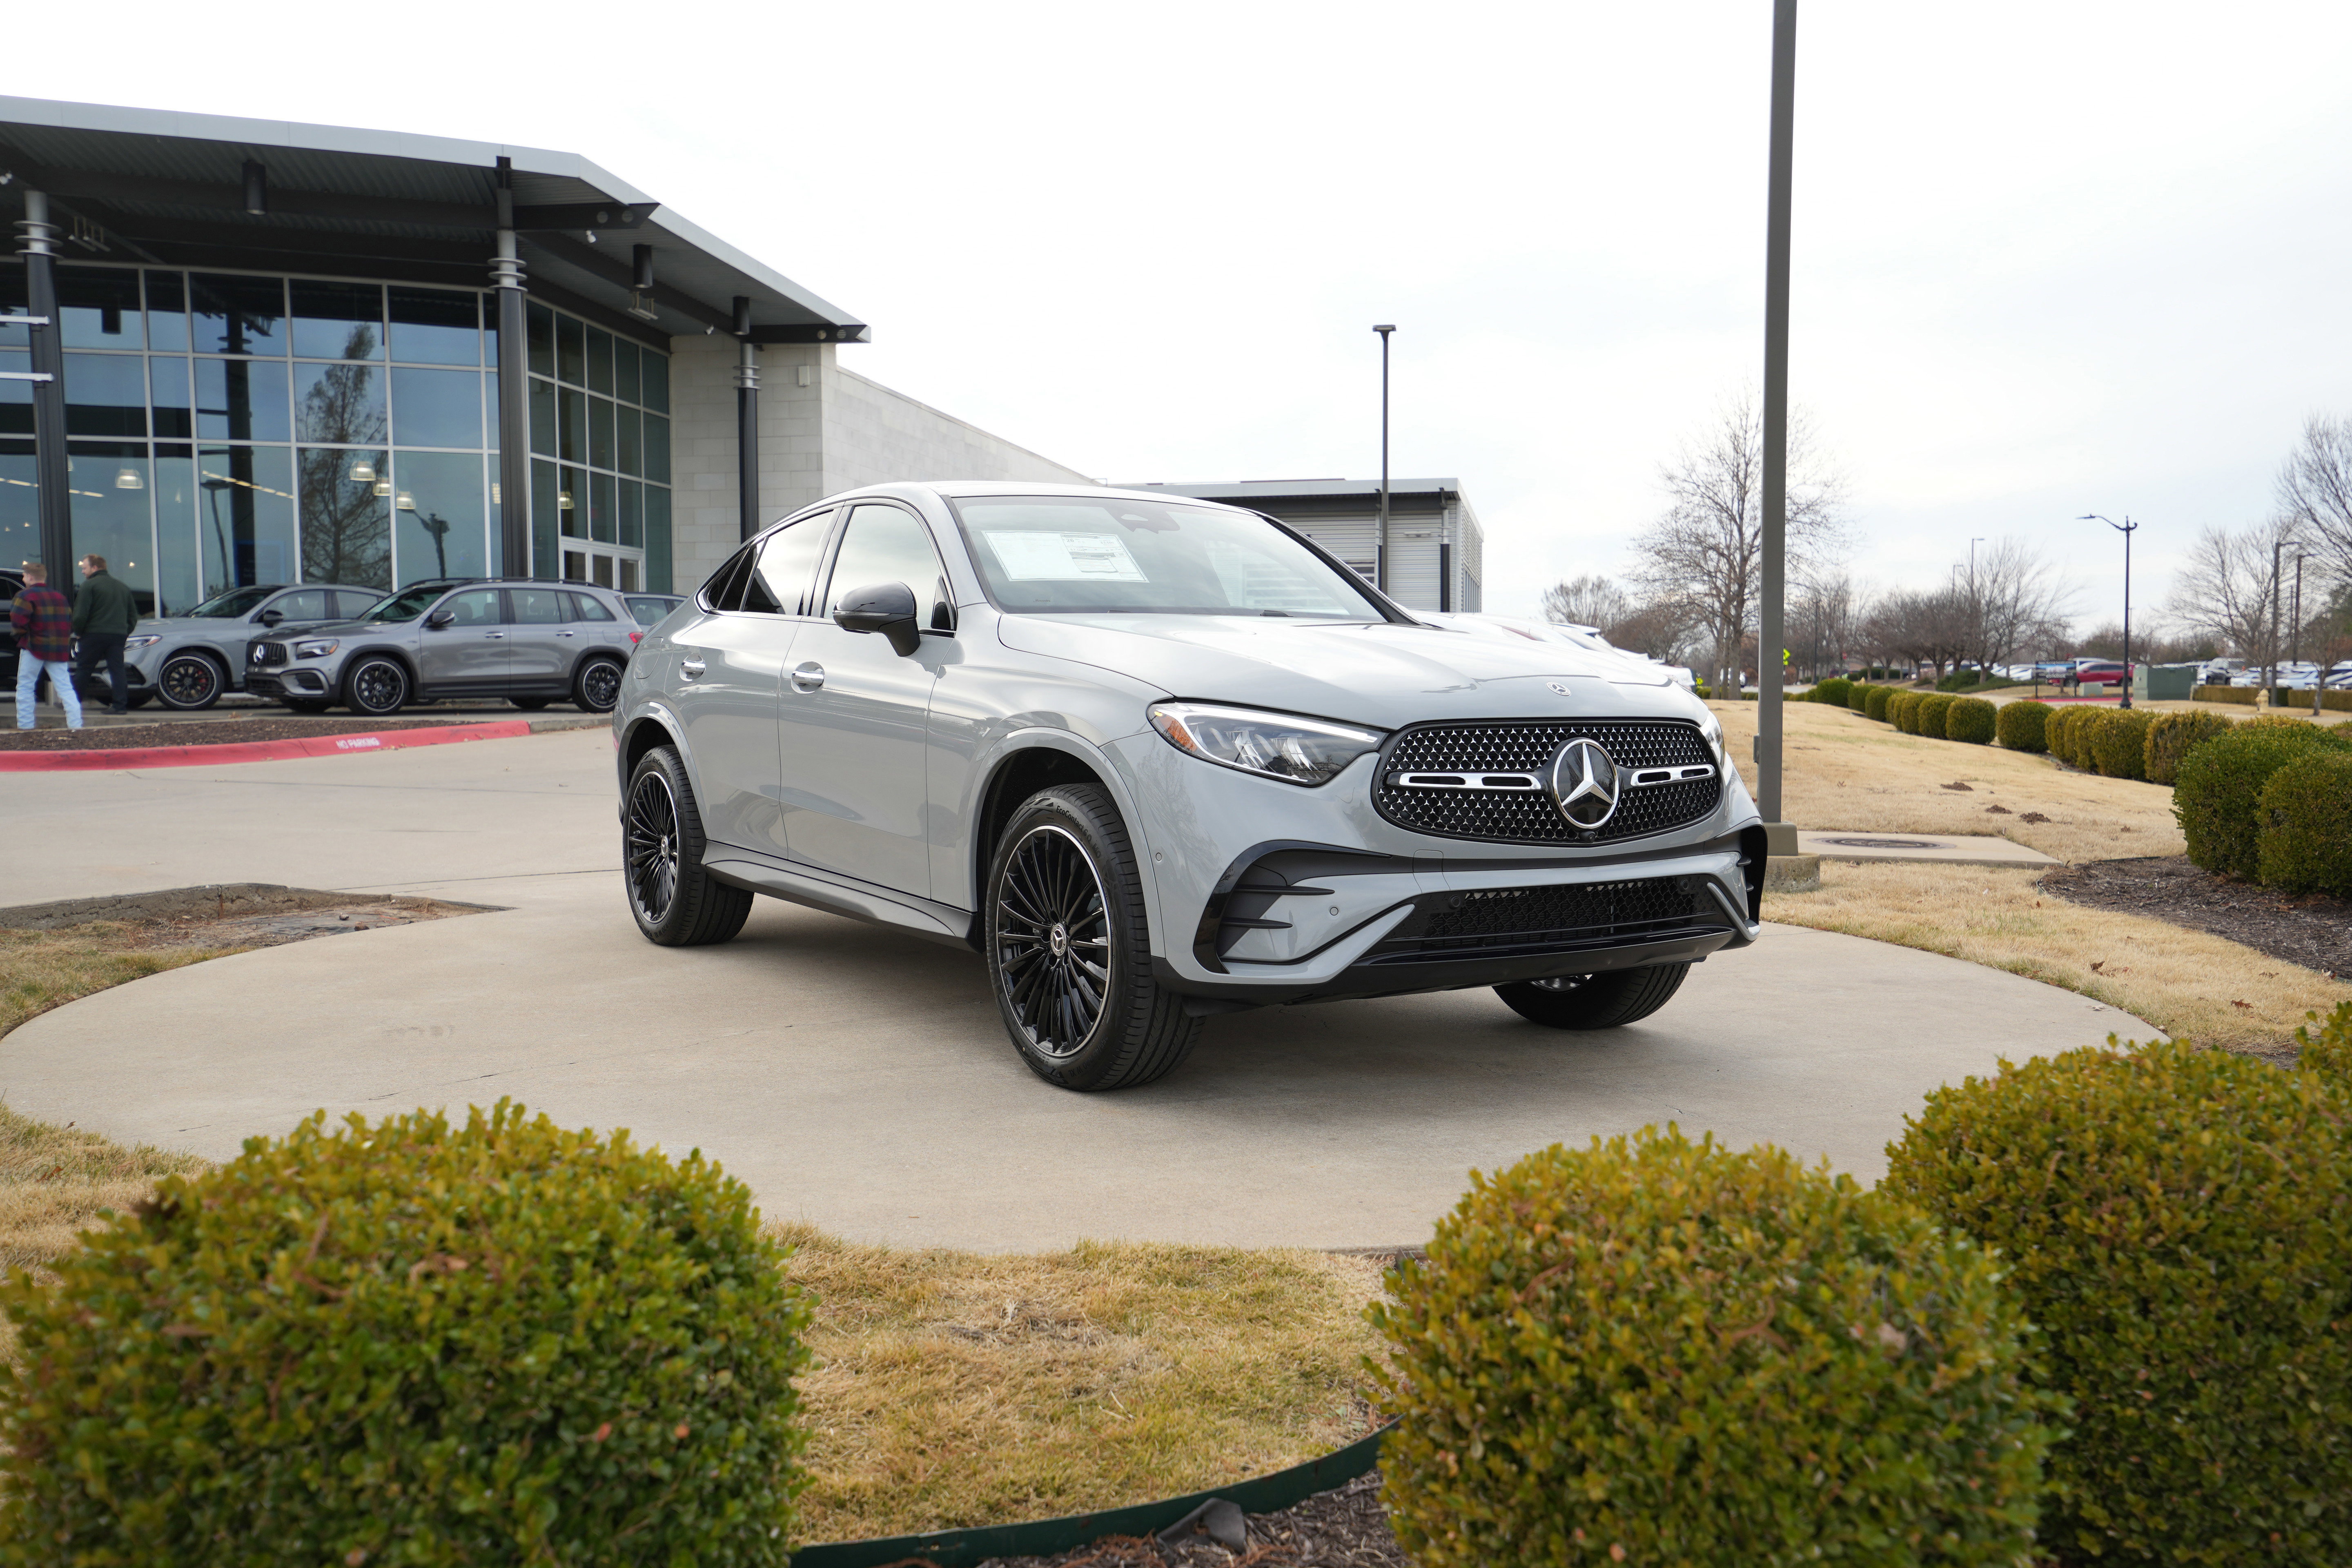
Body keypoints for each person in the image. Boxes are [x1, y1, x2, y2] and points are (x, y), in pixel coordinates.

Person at [12, 561, 83, 731]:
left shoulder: (25, 596)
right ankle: (76, 726)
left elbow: (18, 622)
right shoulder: (60, 597)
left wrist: (23, 639)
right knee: (65, 688)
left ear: (29, 577)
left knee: (26, 687)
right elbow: (68, 623)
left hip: (33, 648)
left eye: (24, 575)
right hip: (58, 649)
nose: (23, 578)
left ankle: (26, 727)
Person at [72, 552, 138, 716]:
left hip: (93, 634)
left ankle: (73, 704)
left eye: (84, 568)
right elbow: (133, 617)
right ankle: (120, 706)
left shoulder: (89, 586)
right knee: (117, 669)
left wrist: (78, 632)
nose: (82, 572)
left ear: (95, 568)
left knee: (84, 669)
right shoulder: (122, 587)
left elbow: (81, 614)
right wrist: (125, 631)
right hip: (117, 635)